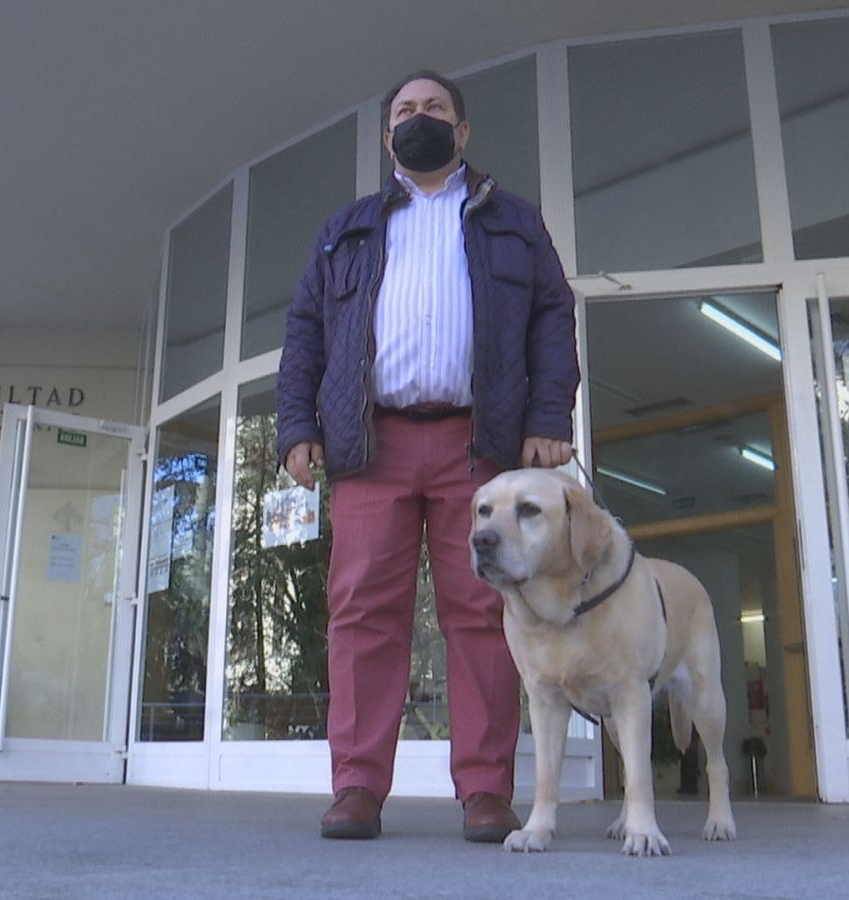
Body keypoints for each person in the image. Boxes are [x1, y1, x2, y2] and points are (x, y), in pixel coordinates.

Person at [275, 70, 579, 842]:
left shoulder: (514, 222)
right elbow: (306, 330)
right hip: (369, 446)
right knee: (361, 615)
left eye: (435, 109)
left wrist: (549, 415)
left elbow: (551, 316)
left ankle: (485, 791)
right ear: (387, 137)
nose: (420, 119)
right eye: (405, 112)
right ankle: (356, 788)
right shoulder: (345, 229)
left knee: (481, 614)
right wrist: (295, 429)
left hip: (480, 446)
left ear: (463, 131)